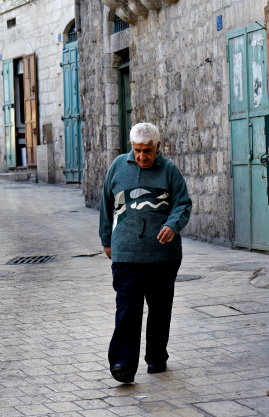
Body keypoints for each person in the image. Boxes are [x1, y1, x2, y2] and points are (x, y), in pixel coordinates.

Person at [99, 122, 192, 383]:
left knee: (160, 307)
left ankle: (156, 356)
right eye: (137, 151)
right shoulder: (117, 167)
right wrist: (106, 239)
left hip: (164, 256)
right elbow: (106, 203)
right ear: (132, 147)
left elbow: (183, 204)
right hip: (126, 253)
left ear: (158, 147)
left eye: (147, 151)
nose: (142, 157)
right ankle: (123, 363)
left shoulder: (170, 171)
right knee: (128, 307)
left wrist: (172, 225)